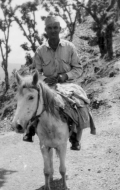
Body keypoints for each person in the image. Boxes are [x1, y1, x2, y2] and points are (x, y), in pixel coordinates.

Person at [23, 14, 83, 151]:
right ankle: (30, 129)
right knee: (33, 101)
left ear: (60, 29)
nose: (53, 30)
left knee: (78, 104)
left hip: (67, 85)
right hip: (47, 87)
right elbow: (35, 73)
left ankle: (75, 136)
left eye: (55, 27)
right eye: (50, 28)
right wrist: (44, 79)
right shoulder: (40, 51)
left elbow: (78, 69)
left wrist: (65, 76)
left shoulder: (69, 47)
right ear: (46, 30)